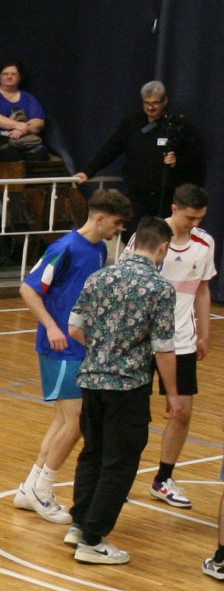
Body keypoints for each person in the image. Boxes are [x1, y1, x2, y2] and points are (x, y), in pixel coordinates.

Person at [67, 216, 184, 565]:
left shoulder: (99, 277)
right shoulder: (160, 289)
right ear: (162, 247)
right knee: (120, 463)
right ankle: (93, 539)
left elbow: (75, 327)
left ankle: (78, 524)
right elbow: (163, 348)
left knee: (92, 453)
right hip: (128, 385)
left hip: (91, 380)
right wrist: (173, 393)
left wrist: (102, 351)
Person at [15, 188, 133, 523]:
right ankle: (42, 489)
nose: (119, 229)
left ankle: (30, 488)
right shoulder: (63, 248)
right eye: (117, 223)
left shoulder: (98, 249)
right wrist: (52, 327)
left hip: (80, 346)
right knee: (76, 420)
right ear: (100, 218)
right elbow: (28, 289)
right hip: (60, 347)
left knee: (64, 420)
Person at [148, 186, 216, 509]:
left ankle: (163, 479)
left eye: (200, 218)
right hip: (144, 341)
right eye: (190, 217)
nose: (195, 224)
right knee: (129, 413)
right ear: (174, 209)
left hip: (182, 341)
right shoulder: (148, 236)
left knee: (182, 411)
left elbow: (202, 290)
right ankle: (114, 475)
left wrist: (204, 333)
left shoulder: (205, 243)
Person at [74, 80, 205, 219]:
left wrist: (177, 162)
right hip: (138, 197)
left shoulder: (178, 126)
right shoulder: (132, 124)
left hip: (167, 196)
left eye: (155, 103)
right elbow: (111, 149)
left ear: (165, 101)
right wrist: (89, 171)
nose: (150, 107)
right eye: (146, 103)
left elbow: (194, 157)